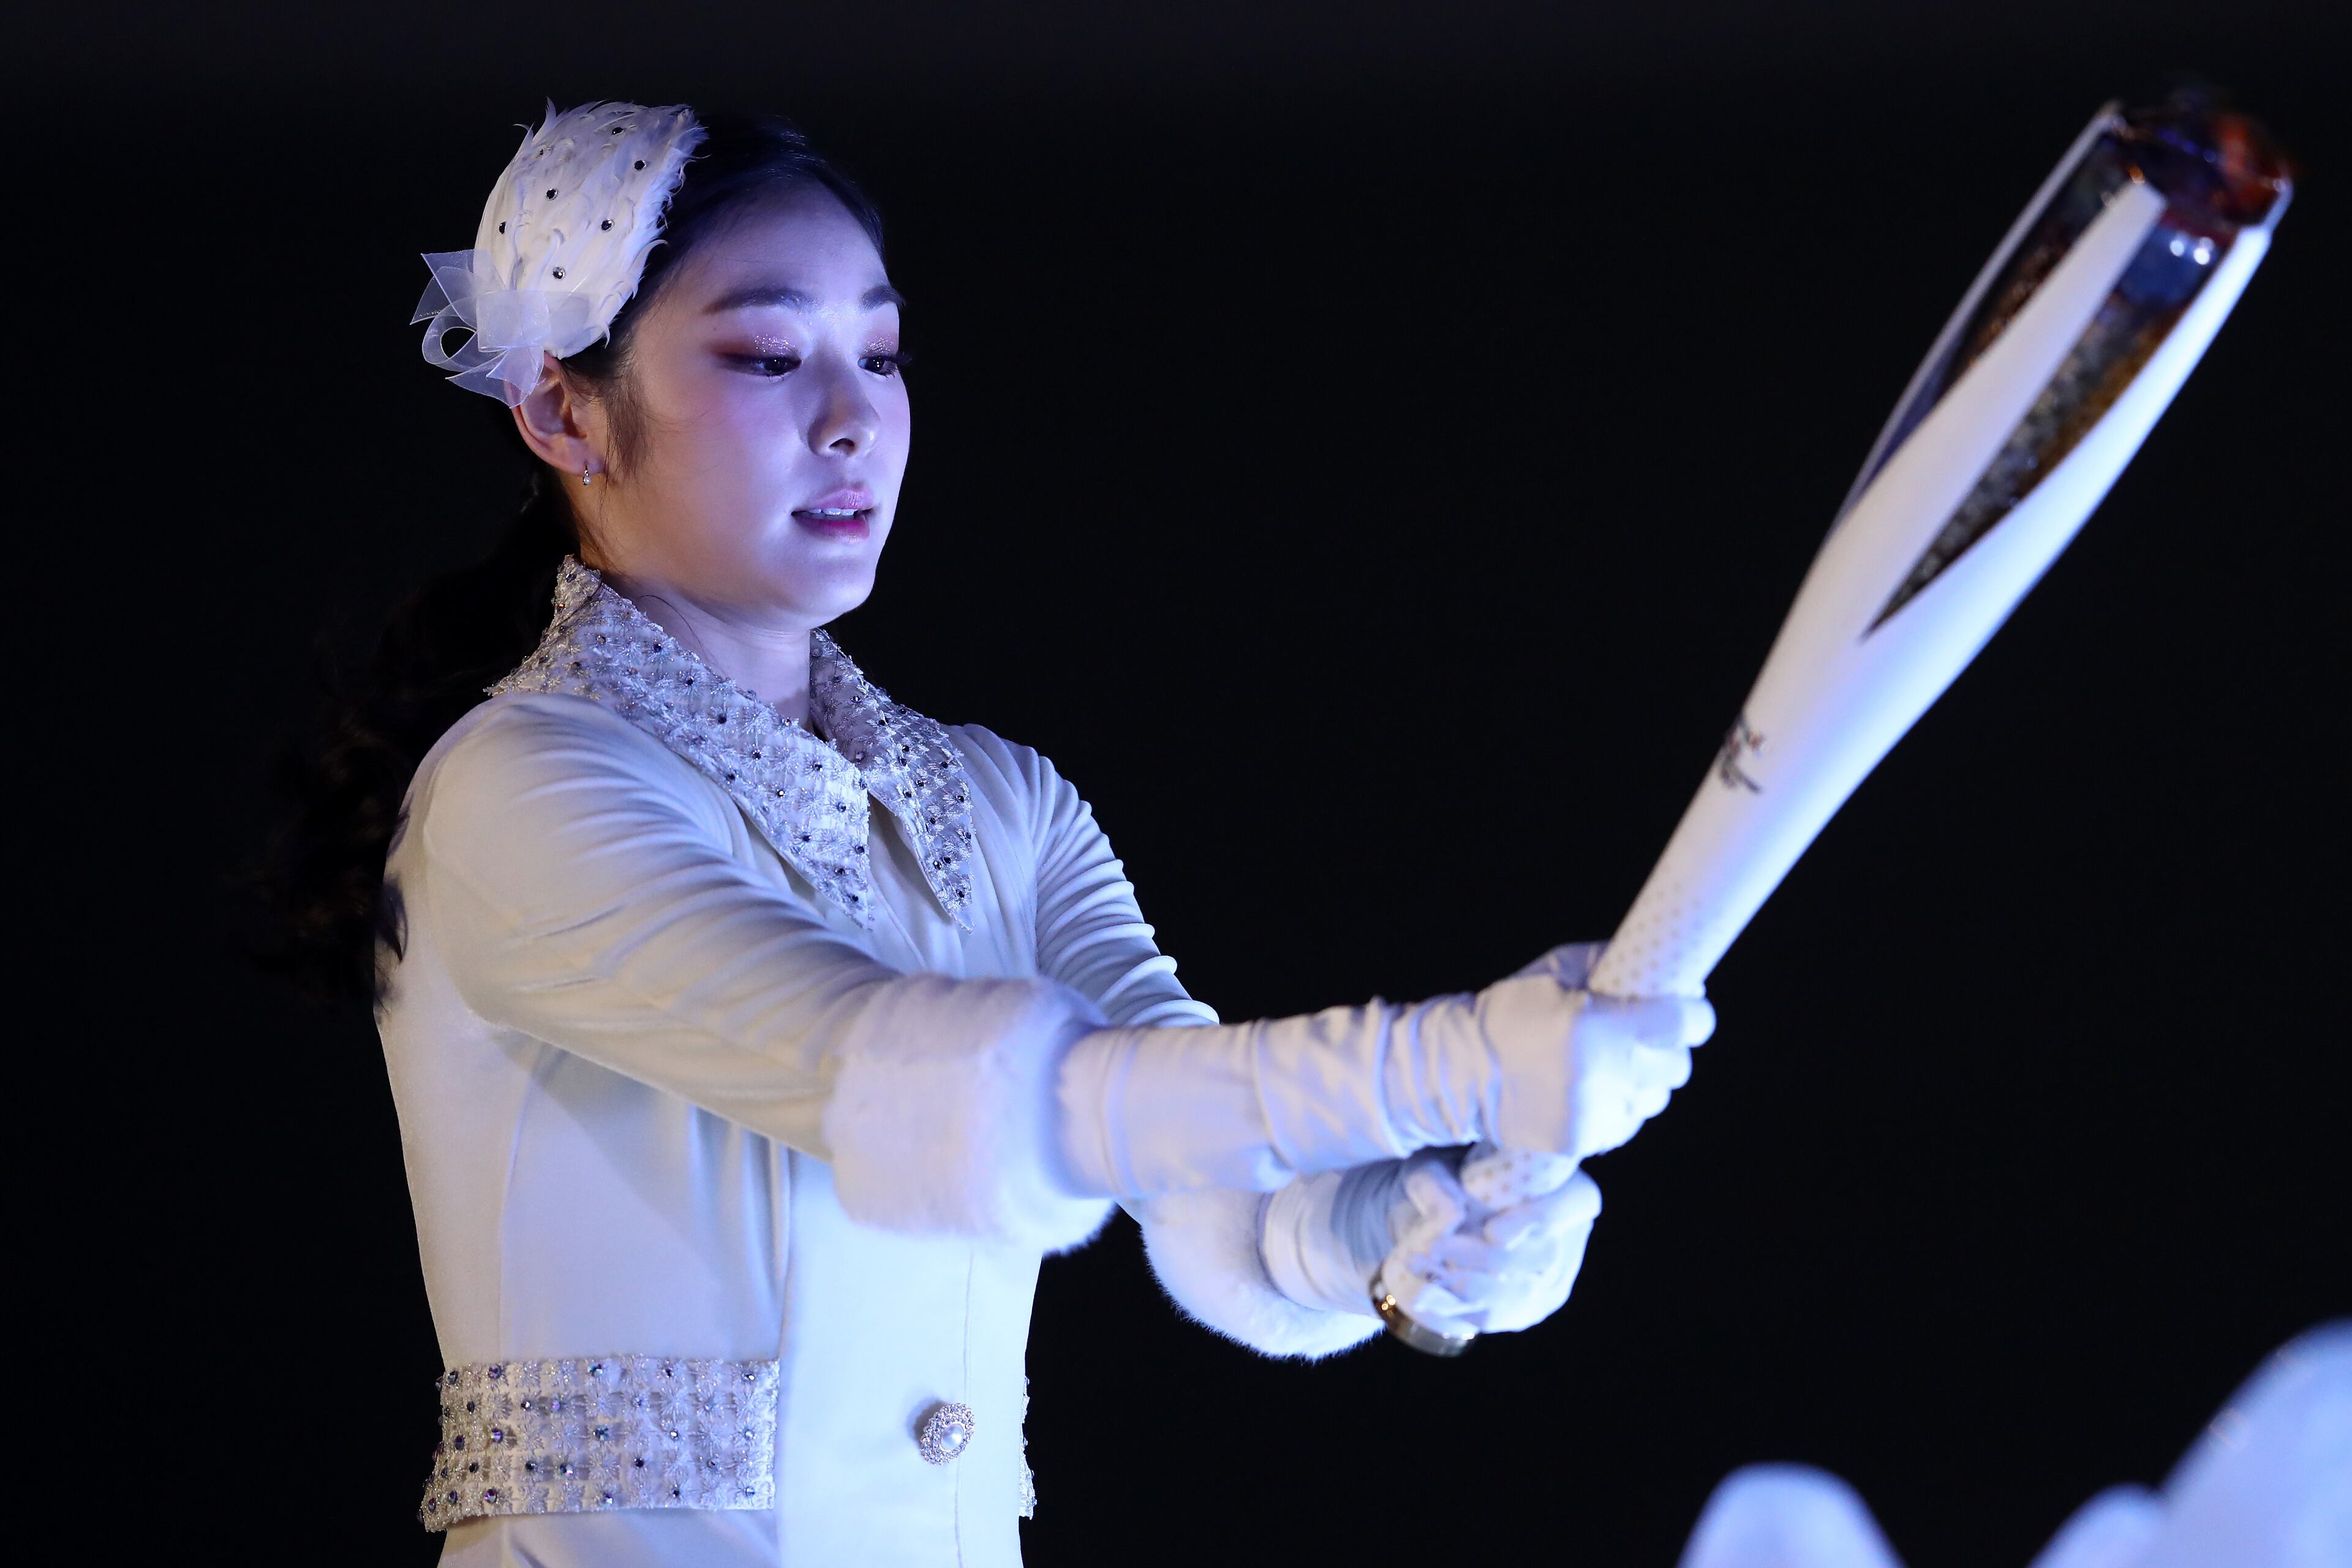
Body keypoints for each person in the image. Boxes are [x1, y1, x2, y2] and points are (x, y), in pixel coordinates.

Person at [271, 99, 1714, 1567]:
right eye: (767, 355)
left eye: (882, 354)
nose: (851, 417)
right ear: (561, 411)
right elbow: (919, 1084)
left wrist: (1392, 1223)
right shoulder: (521, 786)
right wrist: (1449, 1060)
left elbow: (1188, 1154)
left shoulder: (1000, 799)